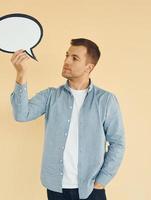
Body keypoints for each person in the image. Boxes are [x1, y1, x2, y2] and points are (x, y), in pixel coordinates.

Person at [10, 38, 125, 200]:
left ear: (89, 67)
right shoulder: (51, 96)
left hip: (91, 189)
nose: (66, 61)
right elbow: (21, 115)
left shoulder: (105, 100)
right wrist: (21, 74)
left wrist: (101, 181)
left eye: (74, 58)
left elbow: (118, 143)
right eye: (66, 55)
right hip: (56, 188)